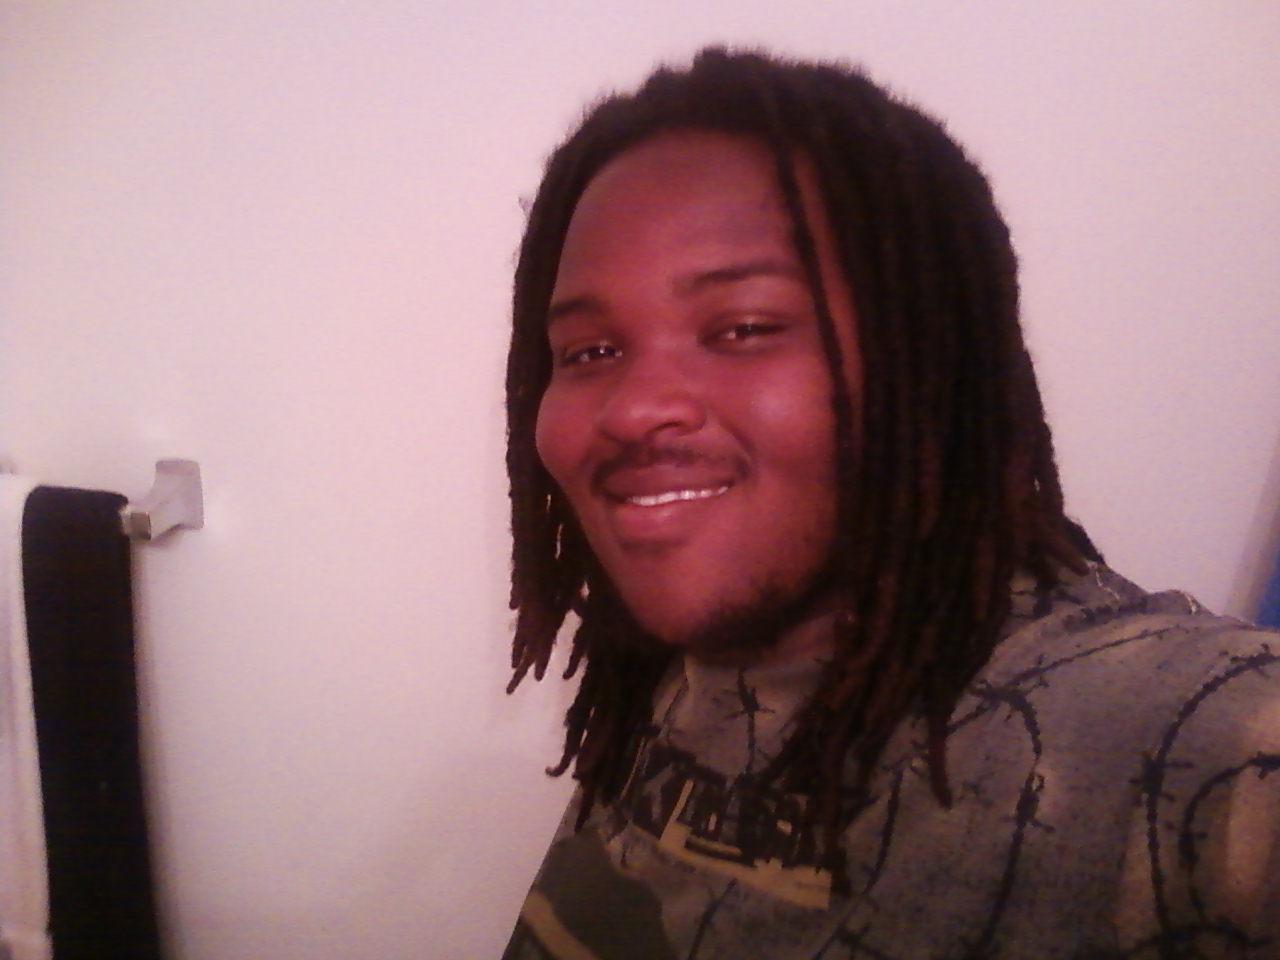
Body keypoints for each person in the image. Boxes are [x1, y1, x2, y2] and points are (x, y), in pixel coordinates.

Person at [499, 48, 1280, 959]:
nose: (632, 409)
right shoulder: (666, 673)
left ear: (929, 363)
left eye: (744, 327)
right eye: (590, 352)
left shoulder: (1196, 740)